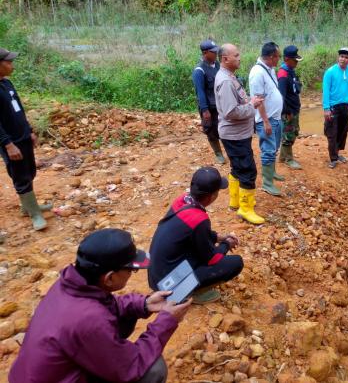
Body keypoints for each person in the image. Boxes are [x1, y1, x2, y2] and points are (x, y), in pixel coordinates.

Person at [9, 228, 191, 383]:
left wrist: (143, 304)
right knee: (153, 370)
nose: (132, 274)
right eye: (131, 270)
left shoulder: (69, 286)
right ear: (110, 277)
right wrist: (167, 320)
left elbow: (105, 305)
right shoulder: (89, 320)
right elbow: (132, 365)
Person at [148, 167, 243, 304]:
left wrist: (218, 237)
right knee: (235, 263)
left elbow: (193, 233)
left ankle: (184, 285)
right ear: (212, 196)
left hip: (156, 276)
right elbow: (212, 259)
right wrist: (226, 244)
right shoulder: (199, 219)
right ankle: (190, 292)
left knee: (197, 251)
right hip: (168, 286)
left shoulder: (182, 201)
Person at [0, 47, 51, 230]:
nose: (11, 65)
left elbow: (19, 109)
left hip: (22, 136)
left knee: (29, 171)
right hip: (11, 141)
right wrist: (7, 144)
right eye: (8, 62)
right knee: (20, 175)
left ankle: (28, 206)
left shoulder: (7, 84)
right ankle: (35, 214)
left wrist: (29, 130)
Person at [214, 43, 265, 224]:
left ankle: (235, 201)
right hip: (234, 135)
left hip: (236, 134)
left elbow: (236, 102)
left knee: (237, 167)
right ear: (225, 59)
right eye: (236, 55)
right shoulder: (226, 81)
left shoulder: (228, 76)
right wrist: (252, 106)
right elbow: (231, 112)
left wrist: (249, 101)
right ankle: (246, 208)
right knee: (247, 170)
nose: (239, 57)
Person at [249, 42, 285, 196]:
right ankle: (267, 183)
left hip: (275, 117)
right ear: (271, 57)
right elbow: (258, 100)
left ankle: (272, 173)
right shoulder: (258, 72)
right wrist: (265, 121)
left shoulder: (269, 69)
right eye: (278, 56)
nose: (279, 59)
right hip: (267, 119)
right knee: (268, 150)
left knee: (275, 147)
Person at [192, 39, 225, 164]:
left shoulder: (217, 65)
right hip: (209, 106)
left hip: (220, 104)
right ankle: (218, 153)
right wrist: (205, 110)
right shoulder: (199, 71)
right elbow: (200, 92)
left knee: (223, 128)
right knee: (210, 130)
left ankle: (227, 149)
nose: (216, 54)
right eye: (213, 52)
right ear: (205, 53)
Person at [277, 45, 303, 170]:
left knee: (294, 132)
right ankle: (289, 159)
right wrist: (286, 111)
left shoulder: (290, 70)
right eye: (295, 60)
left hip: (294, 108)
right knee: (288, 134)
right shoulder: (283, 74)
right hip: (288, 111)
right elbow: (281, 96)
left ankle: (283, 156)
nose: (297, 62)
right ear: (287, 59)